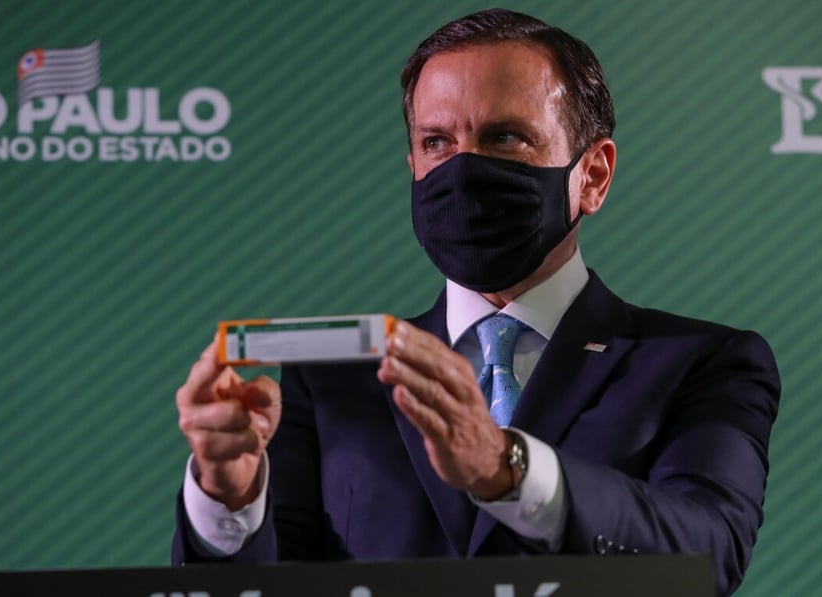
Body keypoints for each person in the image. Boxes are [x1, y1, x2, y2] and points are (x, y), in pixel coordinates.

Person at [172, 9, 780, 596]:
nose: (462, 172)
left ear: (592, 175)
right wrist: (230, 500)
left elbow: (708, 554)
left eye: (506, 137)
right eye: (437, 142)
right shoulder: (330, 381)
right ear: (412, 164)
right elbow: (267, 585)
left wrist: (506, 467)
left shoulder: (702, 362)